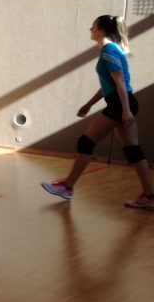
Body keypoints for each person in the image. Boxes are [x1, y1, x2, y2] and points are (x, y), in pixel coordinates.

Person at [41, 15, 154, 209]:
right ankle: (150, 196)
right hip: (121, 103)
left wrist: (126, 110)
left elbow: (120, 82)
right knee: (133, 151)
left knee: (85, 143)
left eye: (93, 26)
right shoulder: (110, 49)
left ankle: (67, 187)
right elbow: (108, 85)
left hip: (119, 104)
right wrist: (89, 104)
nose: (90, 29)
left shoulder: (109, 50)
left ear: (101, 30)